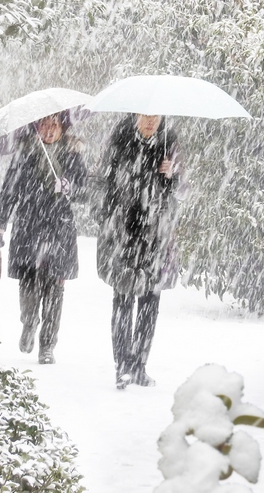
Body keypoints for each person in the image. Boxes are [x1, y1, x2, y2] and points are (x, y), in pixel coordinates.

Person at [0, 111, 88, 365]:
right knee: (28, 287)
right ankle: (29, 322)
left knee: (56, 291)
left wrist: (69, 187)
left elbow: (85, 191)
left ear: (62, 128)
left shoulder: (73, 155)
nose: (49, 130)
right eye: (44, 124)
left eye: (54, 125)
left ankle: (47, 346)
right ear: (37, 127)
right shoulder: (24, 153)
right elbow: (8, 191)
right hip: (28, 228)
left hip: (60, 230)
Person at [96, 113, 182, 389]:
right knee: (123, 300)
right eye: (145, 116)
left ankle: (139, 365)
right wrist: (108, 218)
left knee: (149, 303)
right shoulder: (119, 142)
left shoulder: (169, 143)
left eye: (155, 117)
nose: (149, 122)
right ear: (135, 117)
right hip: (124, 235)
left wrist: (171, 175)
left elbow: (178, 191)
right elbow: (103, 183)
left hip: (155, 236)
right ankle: (121, 365)